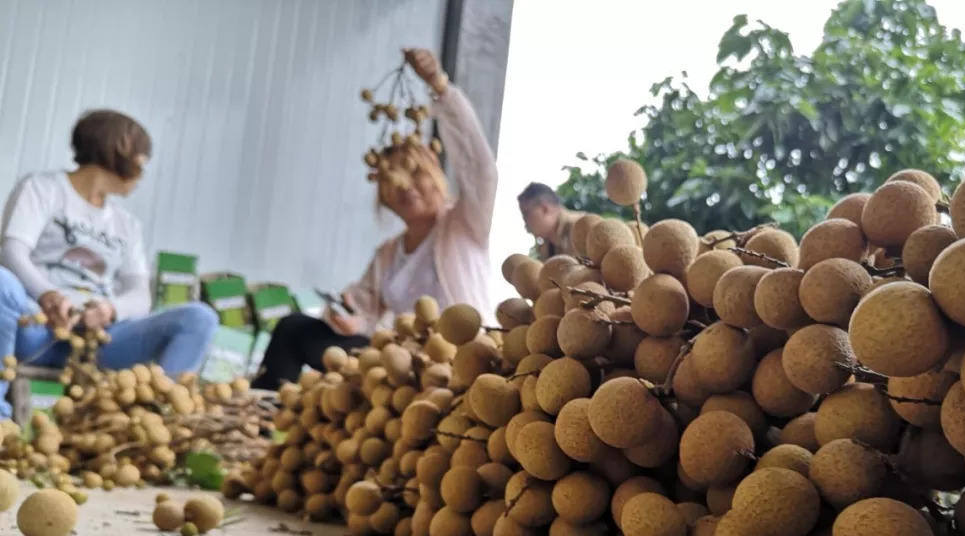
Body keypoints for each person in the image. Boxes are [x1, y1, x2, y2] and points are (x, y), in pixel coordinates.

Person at [252, 48, 498, 390]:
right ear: (382, 196)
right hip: (401, 362)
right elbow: (362, 314)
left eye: (416, 173)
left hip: (455, 363)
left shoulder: (465, 225)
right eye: (393, 181)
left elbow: (480, 169)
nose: (406, 187)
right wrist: (350, 320)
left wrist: (440, 88)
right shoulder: (388, 253)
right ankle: (260, 424)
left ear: (437, 175)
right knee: (294, 328)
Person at [0, 109, 219, 418]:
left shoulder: (126, 224)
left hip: (100, 341)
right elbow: (12, 251)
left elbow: (140, 295)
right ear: (117, 150)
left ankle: (163, 423)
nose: (144, 170)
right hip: (38, 328)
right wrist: (49, 295)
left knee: (199, 318)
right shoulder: (42, 189)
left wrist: (109, 309)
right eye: (142, 157)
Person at [517, 182, 581, 259]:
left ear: (544, 209)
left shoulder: (583, 229)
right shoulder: (547, 246)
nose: (524, 221)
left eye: (526, 214)